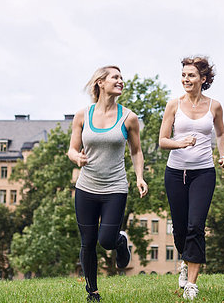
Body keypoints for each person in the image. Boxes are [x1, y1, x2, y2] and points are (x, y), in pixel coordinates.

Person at [68, 65, 148, 302]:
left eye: (122, 78)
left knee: (106, 240)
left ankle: (120, 241)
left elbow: (136, 151)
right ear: (100, 83)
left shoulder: (129, 117)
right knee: (88, 242)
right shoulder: (83, 115)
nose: (121, 81)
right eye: (115, 77)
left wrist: (139, 177)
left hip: (115, 188)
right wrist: (76, 157)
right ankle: (92, 292)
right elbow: (72, 149)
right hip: (86, 188)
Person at [159, 56, 224, 300]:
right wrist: (180, 144)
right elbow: (162, 141)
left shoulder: (215, 106)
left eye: (191, 75)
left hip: (203, 172)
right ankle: (185, 261)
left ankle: (191, 283)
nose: (186, 79)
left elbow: (221, 134)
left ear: (203, 79)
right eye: (183, 75)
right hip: (175, 173)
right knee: (180, 229)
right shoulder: (173, 105)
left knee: (195, 226)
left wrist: (223, 156)